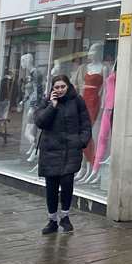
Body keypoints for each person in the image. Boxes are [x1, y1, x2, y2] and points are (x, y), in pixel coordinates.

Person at [33, 74, 92, 234]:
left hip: (70, 150)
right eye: (56, 87)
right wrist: (52, 105)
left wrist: (81, 141)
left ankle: (65, 217)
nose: (60, 90)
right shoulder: (47, 102)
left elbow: (86, 123)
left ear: (68, 86)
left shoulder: (77, 101)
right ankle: (52, 220)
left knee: (67, 185)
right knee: (51, 187)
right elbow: (40, 122)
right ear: (52, 89)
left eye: (62, 87)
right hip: (50, 150)